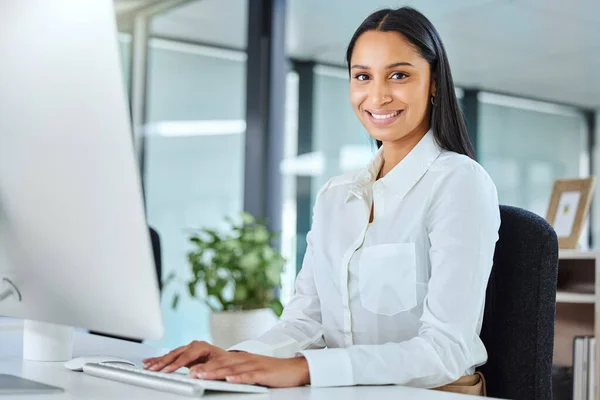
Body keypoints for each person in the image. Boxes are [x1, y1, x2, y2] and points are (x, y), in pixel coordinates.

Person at [143, 6, 500, 395]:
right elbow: (305, 323)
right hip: (350, 391)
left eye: (398, 75)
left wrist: (306, 368)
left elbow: (445, 350)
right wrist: (233, 358)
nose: (378, 95)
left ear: (433, 83)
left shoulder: (459, 182)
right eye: (362, 76)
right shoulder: (336, 196)